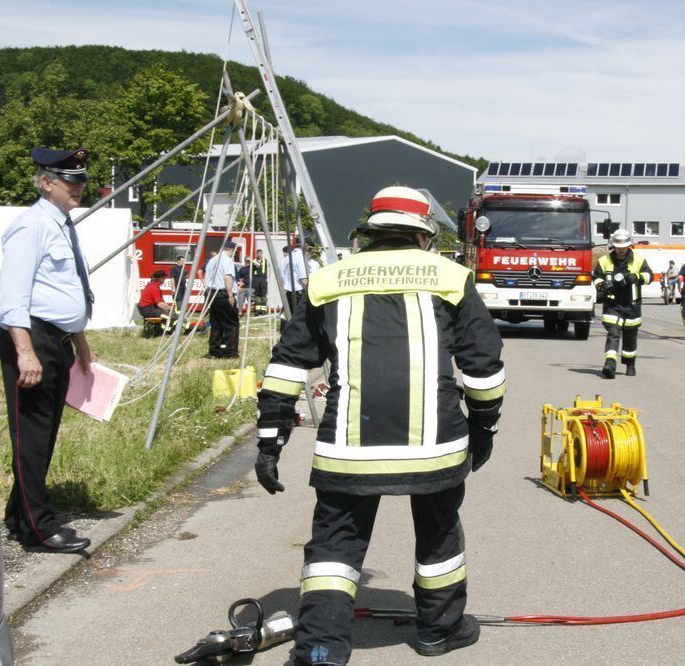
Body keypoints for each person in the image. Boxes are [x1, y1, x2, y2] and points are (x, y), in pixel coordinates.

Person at [253, 186, 504, 664]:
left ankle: (321, 650)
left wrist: (271, 439)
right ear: (423, 234)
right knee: (439, 532)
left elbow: (288, 364)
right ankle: (438, 630)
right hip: (436, 446)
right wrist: (484, 428)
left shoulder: (328, 278)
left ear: (368, 229)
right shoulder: (451, 276)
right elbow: (483, 367)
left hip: (348, 449)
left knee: (334, 545)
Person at [0, 146, 95, 554]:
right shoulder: (31, 225)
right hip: (33, 338)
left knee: (44, 435)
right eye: (71, 181)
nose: (79, 187)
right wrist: (25, 352)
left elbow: (65, 290)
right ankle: (39, 530)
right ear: (47, 182)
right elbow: (12, 297)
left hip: (56, 340)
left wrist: (81, 342)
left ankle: (21, 516)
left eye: (82, 180)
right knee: (32, 436)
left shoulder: (62, 224)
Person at [593, 229, 653, 377]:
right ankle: (610, 364)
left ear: (629, 246)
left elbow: (649, 276)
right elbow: (596, 278)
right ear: (614, 246)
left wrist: (637, 277)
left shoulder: (638, 260)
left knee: (630, 336)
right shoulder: (604, 261)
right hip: (612, 304)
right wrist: (602, 285)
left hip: (631, 305)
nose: (621, 250)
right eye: (618, 247)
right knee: (613, 332)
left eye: (623, 247)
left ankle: (630, 364)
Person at [203, 239, 239, 359]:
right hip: (223, 294)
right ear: (230, 250)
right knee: (231, 324)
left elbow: (206, 279)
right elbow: (227, 277)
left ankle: (215, 351)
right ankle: (230, 352)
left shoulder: (212, 260)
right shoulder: (227, 260)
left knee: (216, 324)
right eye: (234, 251)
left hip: (213, 295)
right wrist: (230, 295)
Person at [281, 239, 313, 314]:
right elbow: (304, 280)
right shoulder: (301, 257)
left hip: (288, 293)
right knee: (300, 318)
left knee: (289, 317)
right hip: (298, 294)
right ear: (305, 245)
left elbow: (282, 277)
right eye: (309, 248)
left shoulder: (286, 258)